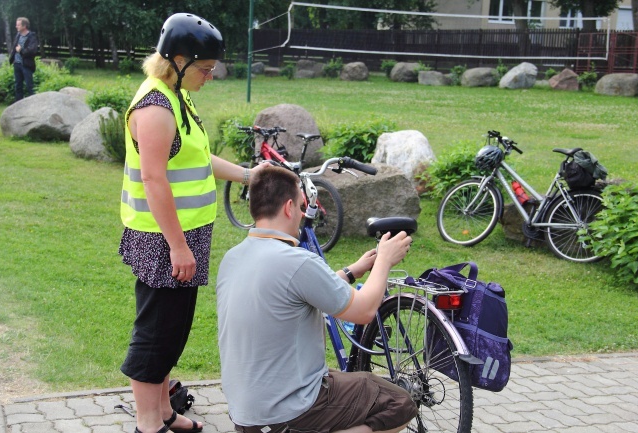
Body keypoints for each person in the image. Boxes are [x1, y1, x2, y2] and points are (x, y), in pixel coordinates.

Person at [119, 13, 266, 433]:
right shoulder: (154, 108)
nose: (211, 76)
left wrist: (247, 174)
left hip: (186, 234)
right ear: (178, 60)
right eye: (205, 69)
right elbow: (153, 179)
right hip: (163, 239)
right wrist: (178, 246)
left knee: (173, 328)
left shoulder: (177, 95)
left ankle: (165, 410)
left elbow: (195, 159)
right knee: (156, 331)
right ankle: (149, 424)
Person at [217, 166, 418, 433]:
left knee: (340, 379)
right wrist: (384, 260)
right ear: (289, 207)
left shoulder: (233, 257)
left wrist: (351, 271)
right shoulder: (296, 261)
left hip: (247, 414)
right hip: (288, 411)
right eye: (301, 206)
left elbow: (293, 291)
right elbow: (364, 311)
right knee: (399, 403)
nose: (302, 214)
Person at [9, 17, 38, 101]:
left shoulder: (31, 36)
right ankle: (18, 105)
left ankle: (33, 104)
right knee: (18, 86)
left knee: (30, 86)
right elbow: (14, 47)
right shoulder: (18, 35)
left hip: (26, 65)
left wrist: (21, 51)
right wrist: (13, 58)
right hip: (17, 64)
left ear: (24, 26)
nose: (16, 26)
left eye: (18, 25)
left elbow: (32, 50)